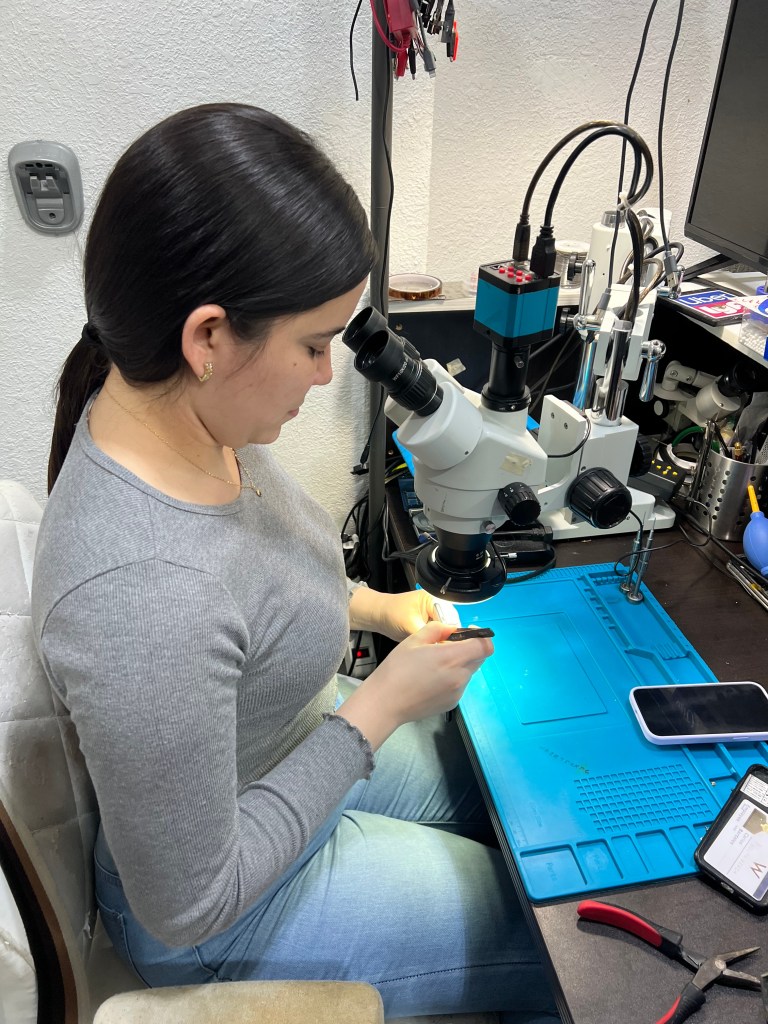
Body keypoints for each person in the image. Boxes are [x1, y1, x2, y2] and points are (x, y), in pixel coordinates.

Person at [31, 103, 558, 1022]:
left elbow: (258, 583)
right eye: (314, 345)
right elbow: (190, 902)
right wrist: (378, 708)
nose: (325, 375)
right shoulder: (141, 597)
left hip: (286, 745)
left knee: (524, 802)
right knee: (547, 924)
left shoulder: (190, 422)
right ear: (207, 338)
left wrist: (378, 609)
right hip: (221, 912)